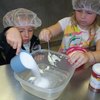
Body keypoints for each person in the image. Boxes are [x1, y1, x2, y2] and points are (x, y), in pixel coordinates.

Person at [39, 0, 100, 69]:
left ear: (97, 13)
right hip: (61, 62)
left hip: (83, 66)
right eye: (79, 10)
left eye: (89, 12)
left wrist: (88, 56)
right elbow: (52, 30)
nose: (83, 16)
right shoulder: (67, 22)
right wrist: (46, 31)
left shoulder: (97, 31)